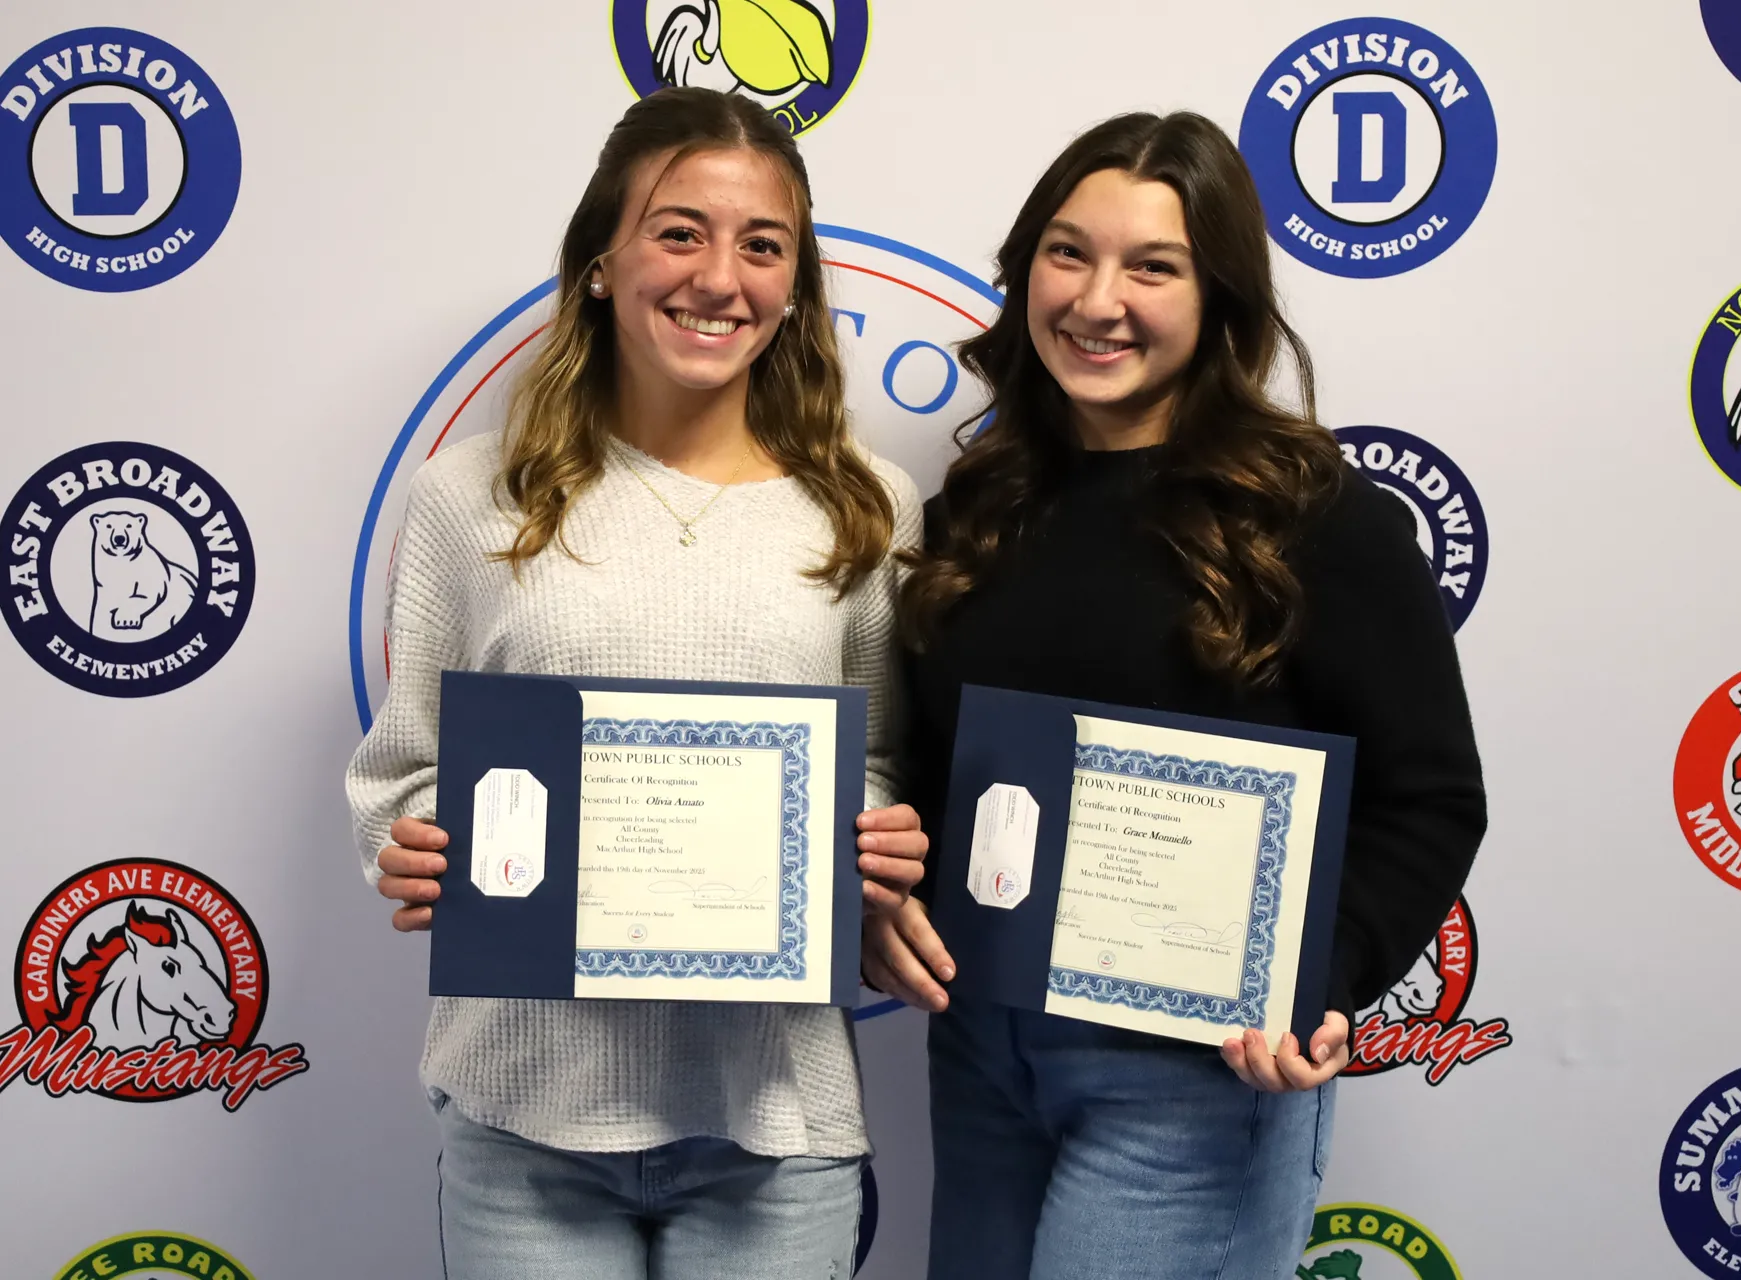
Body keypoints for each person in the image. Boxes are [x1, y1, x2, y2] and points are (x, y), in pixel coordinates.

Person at [858, 111, 1488, 1279]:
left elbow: (1432, 795)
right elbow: (954, 779)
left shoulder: (1319, 520)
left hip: (1198, 1074)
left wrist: (1325, 978)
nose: (1098, 300)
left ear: (1221, 299)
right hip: (985, 1053)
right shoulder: (975, 514)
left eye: (1153, 266)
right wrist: (892, 881)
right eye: (1067, 252)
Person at [346, 87, 928, 1280]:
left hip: (773, 1118)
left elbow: (884, 752)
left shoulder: (866, 506)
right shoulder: (471, 496)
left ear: (794, 285)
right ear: (602, 260)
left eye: (763, 245)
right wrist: (409, 836)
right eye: (679, 231)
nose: (720, 277)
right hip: (523, 1112)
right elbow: (406, 762)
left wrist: (869, 832)